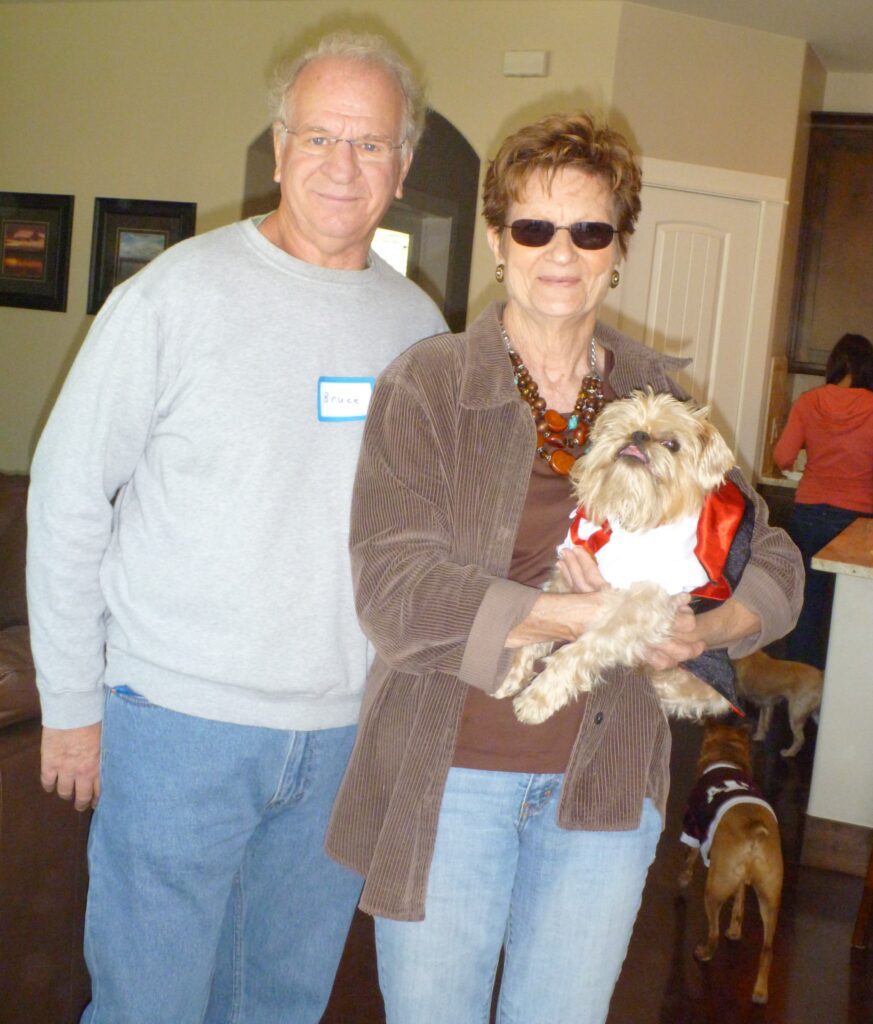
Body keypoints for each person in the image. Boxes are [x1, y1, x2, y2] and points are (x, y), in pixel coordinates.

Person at [325, 112, 803, 1024]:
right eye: (533, 227)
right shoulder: (428, 385)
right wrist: (581, 618)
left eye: (587, 229)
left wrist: (700, 629)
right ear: (498, 242)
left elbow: (767, 552)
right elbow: (393, 593)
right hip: (449, 778)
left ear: (617, 248)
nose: (560, 251)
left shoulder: (654, 394)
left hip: (604, 785)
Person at [26, 31, 446, 1024]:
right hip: (176, 725)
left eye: (371, 144)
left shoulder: (418, 329)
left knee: (280, 1005)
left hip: (343, 739)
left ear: (404, 166)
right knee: (149, 1006)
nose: (343, 165)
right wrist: (70, 702)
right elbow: (67, 495)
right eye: (319, 137)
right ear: (277, 143)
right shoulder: (172, 296)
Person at [774, 333, 873, 667]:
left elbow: (783, 456)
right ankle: (833, 701)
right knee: (845, 612)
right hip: (856, 522)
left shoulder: (808, 401)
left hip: (809, 513)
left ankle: (798, 688)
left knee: (806, 605)